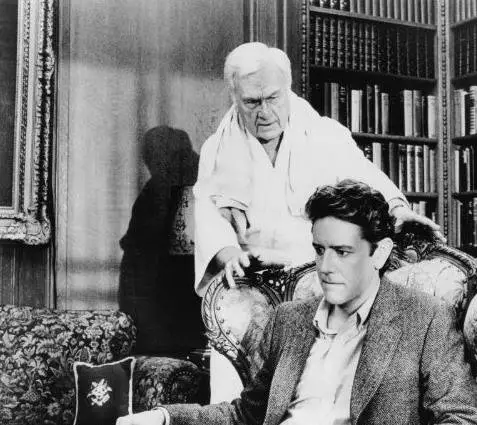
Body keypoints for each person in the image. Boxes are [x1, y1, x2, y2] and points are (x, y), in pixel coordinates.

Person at [192, 41, 442, 402]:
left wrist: (398, 210)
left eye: (273, 98)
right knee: (238, 393)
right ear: (235, 97)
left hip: (316, 276)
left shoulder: (324, 133)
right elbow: (207, 211)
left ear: (288, 88)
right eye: (252, 102)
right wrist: (229, 254)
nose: (265, 112)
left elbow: (364, 177)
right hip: (251, 284)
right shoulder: (218, 148)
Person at [117, 179, 477, 425]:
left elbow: (458, 417)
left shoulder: (425, 318)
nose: (325, 266)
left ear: (379, 253)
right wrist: (164, 417)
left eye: (342, 252)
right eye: (319, 250)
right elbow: (246, 415)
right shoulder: (288, 320)